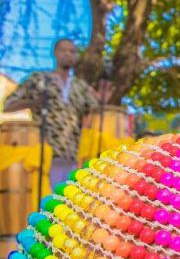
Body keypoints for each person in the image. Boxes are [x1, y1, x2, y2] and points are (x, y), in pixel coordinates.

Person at [4, 38, 113, 189]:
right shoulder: (39, 79)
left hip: (73, 157)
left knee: (66, 204)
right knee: (46, 203)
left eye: (72, 51)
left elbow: (95, 114)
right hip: (45, 153)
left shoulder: (80, 86)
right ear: (55, 53)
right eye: (63, 50)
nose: (68, 54)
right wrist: (33, 103)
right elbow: (8, 105)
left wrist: (103, 102)